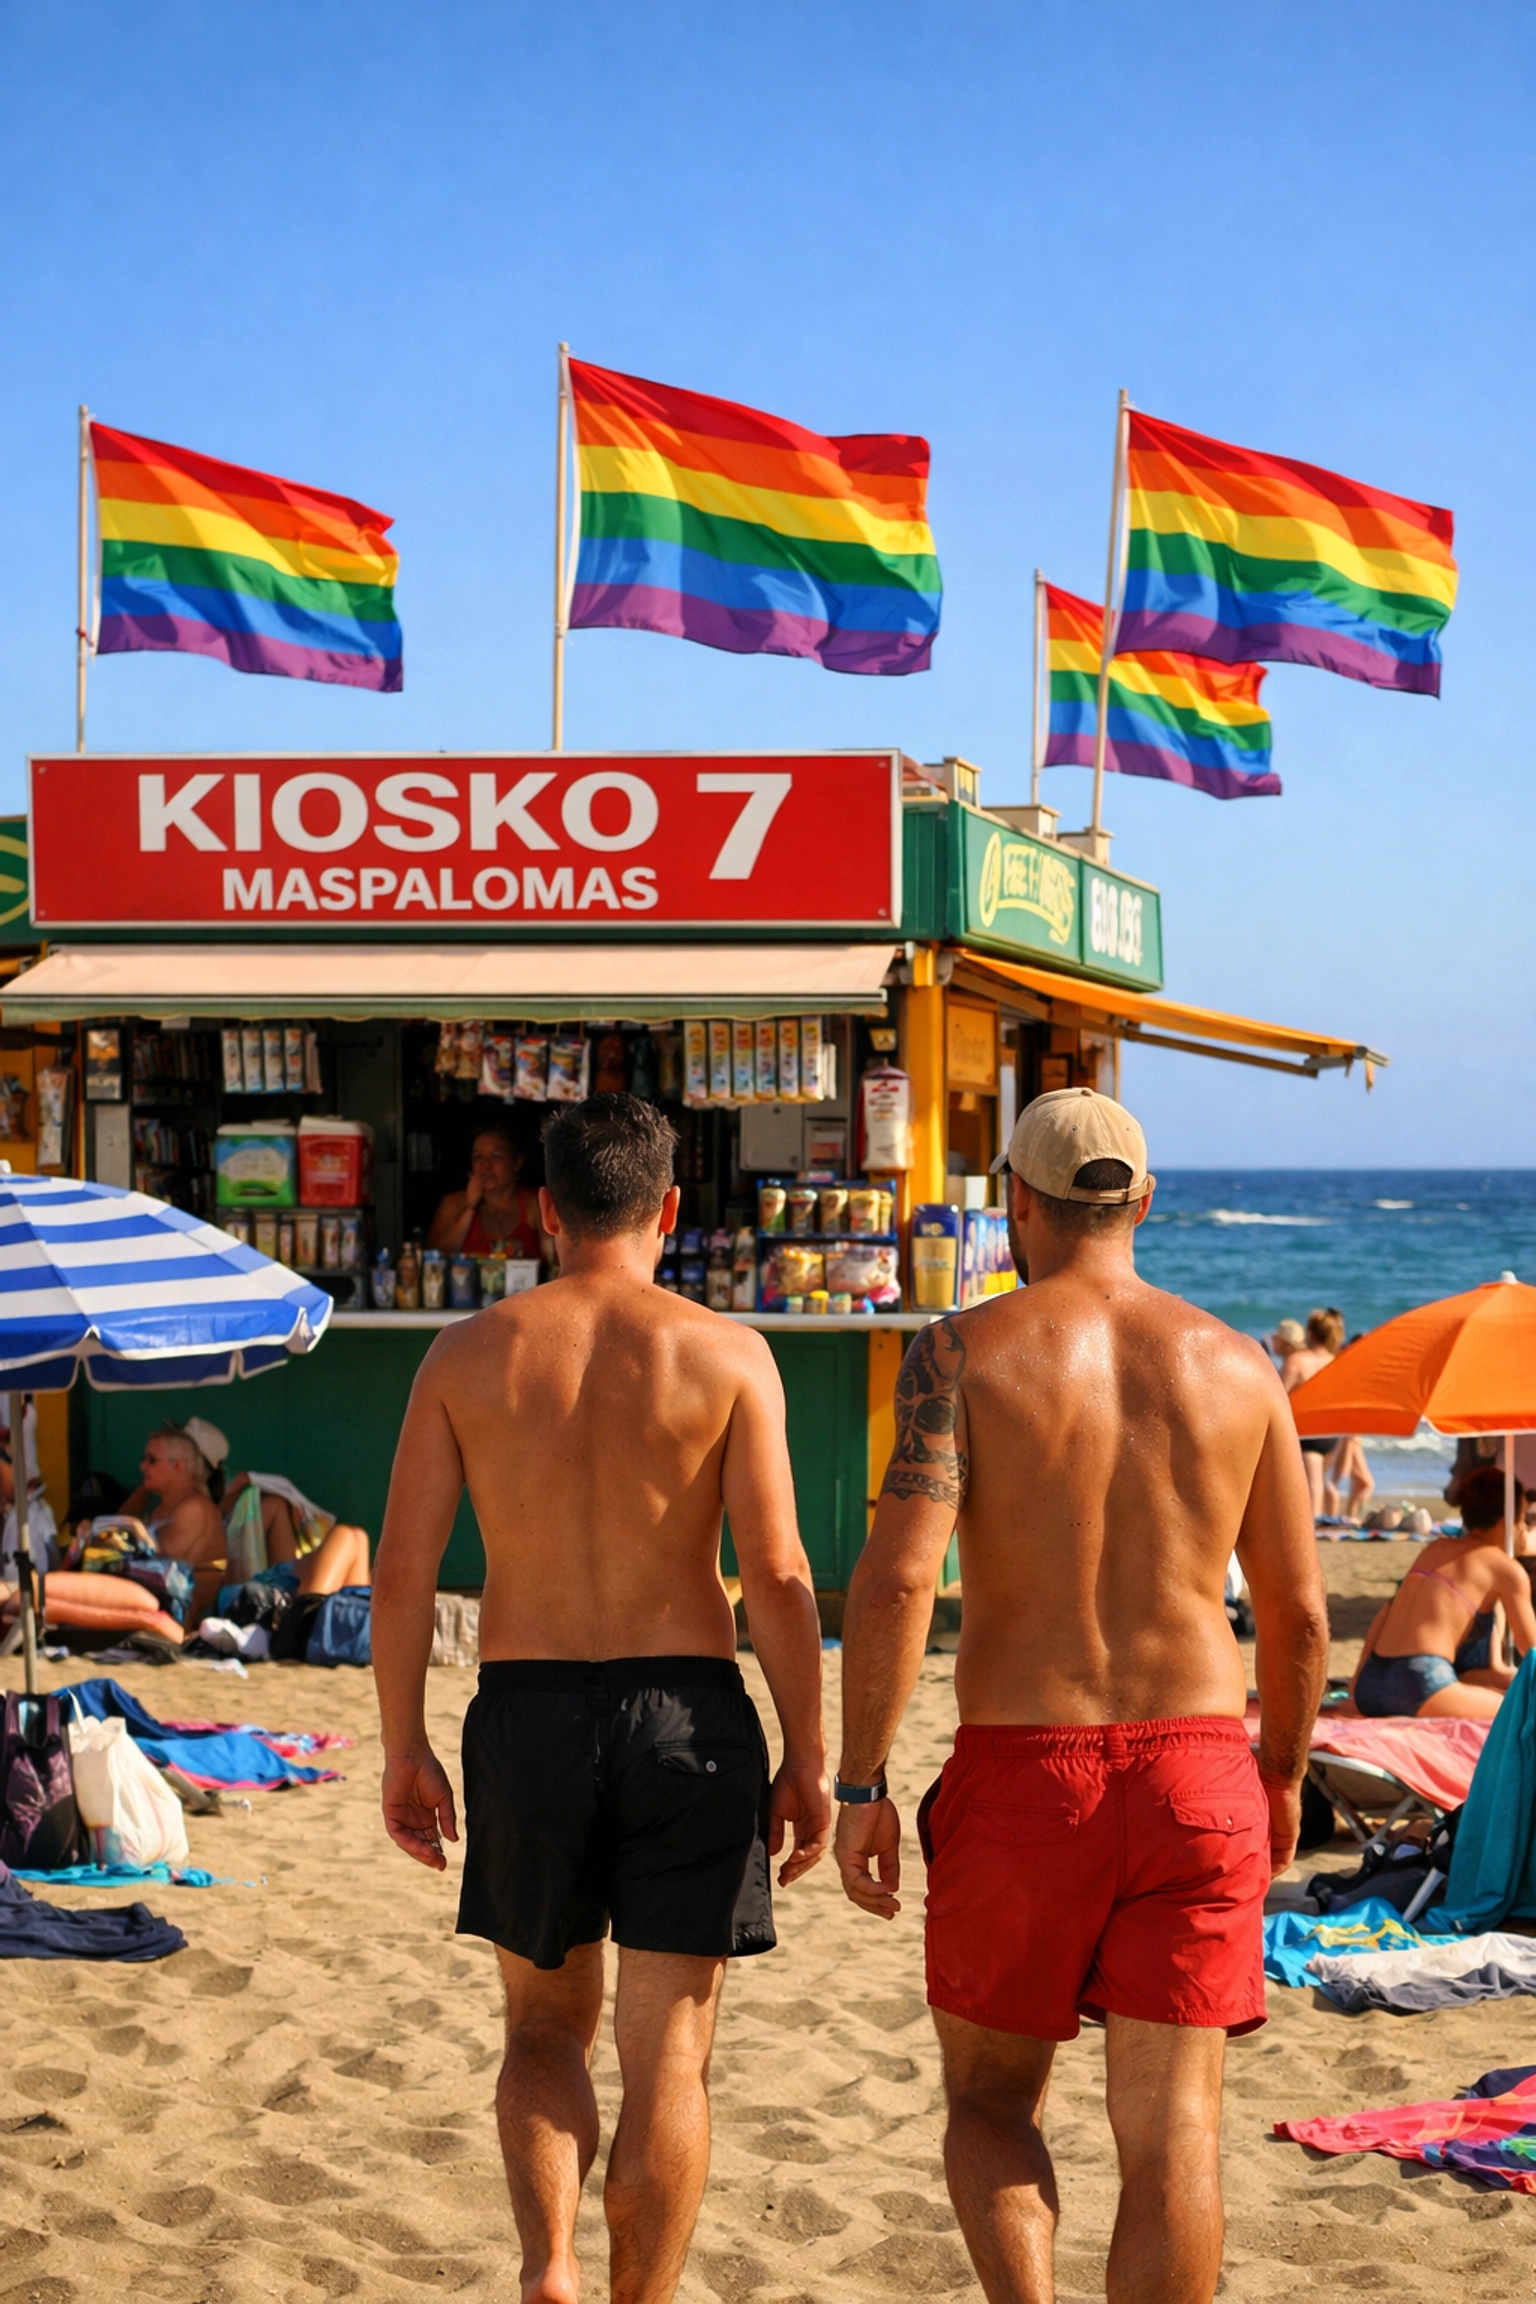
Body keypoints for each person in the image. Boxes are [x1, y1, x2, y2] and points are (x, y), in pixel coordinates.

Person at [832, 1088, 1328, 2304]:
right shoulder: (1241, 1366)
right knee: (1175, 2132)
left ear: (1016, 1202)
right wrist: (1282, 1773)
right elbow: (1303, 1616)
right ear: (1144, 1201)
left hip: (1026, 1774)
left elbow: (898, 1582)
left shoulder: (960, 1351)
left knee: (991, 2102)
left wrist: (861, 1782)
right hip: (1199, 1772)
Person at [372, 1092, 829, 2304]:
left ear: (543, 1211)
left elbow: (403, 1572)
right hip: (687, 1712)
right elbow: (778, 1573)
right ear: (668, 1210)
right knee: (669, 2054)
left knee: (541, 2029)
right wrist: (811, 1753)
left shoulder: (466, 1354)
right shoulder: (727, 1353)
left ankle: (551, 2265)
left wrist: (404, 1745)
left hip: (525, 1709)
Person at [1351, 1466, 1536, 1719]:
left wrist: (1357, 1679)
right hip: (1419, 1682)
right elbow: (1531, 1650)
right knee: (1523, 1712)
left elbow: (1386, 1612)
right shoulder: (1506, 1569)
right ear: (1506, 1521)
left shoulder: (1435, 1549)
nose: (1525, 1528)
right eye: (1523, 1519)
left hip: (1369, 1684)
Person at [427, 1120, 549, 1261]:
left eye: (496, 1156)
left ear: (517, 1163)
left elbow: (555, 1261)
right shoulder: (453, 1203)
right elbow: (432, 1261)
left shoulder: (535, 1204)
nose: (485, 1165)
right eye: (478, 1156)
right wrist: (470, 1209)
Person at [1281, 1308, 1343, 1515]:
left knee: (1312, 1486)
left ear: (1310, 1334)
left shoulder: (1297, 1360)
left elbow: (1280, 1396)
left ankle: (1312, 1526)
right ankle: (1315, 1522)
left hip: (1307, 1433)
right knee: (1319, 1482)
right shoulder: (1337, 1361)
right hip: (1332, 1433)